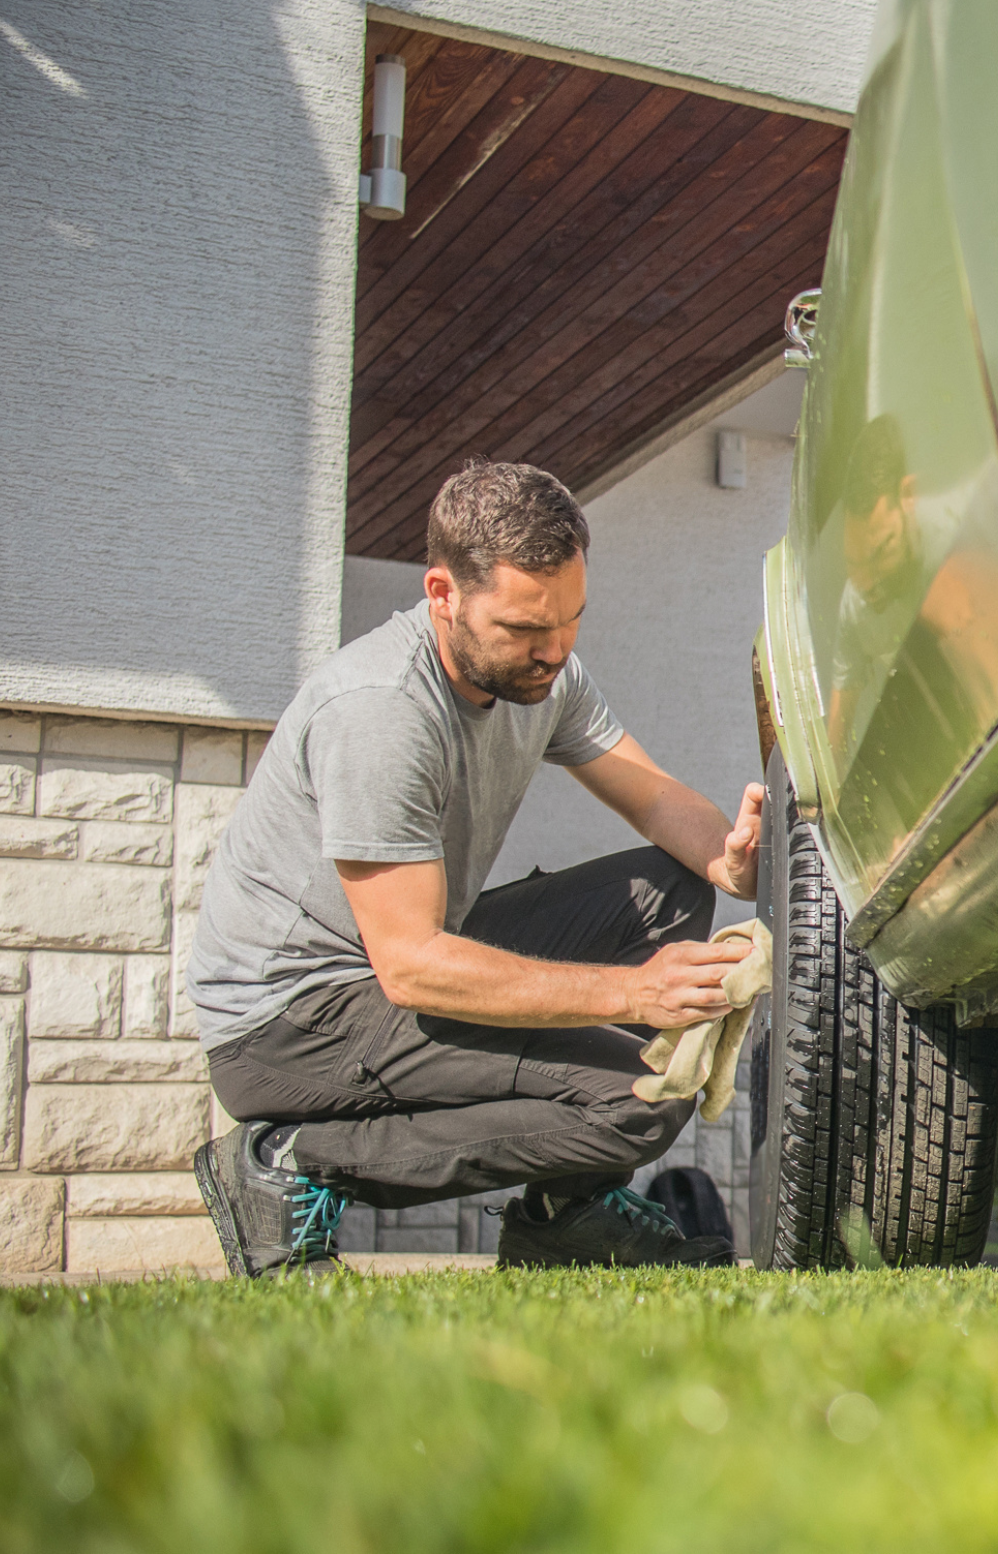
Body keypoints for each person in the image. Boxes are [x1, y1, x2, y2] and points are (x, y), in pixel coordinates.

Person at [185, 460, 763, 1276]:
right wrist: (634, 992)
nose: (556, 650)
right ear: (443, 593)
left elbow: (655, 797)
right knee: (638, 1099)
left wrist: (732, 860)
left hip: (390, 971)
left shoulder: (546, 676)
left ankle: (566, 1214)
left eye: (571, 620)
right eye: (527, 629)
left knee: (670, 885)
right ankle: (290, 1160)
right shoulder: (382, 711)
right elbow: (414, 967)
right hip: (290, 1023)